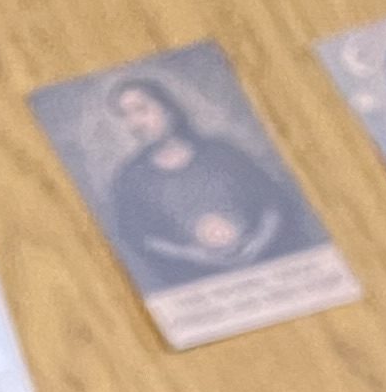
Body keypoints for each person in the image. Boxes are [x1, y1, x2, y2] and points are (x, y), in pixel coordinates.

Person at [96, 71, 313, 283]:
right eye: (125, 115)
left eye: (141, 110)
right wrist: (194, 255)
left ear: (168, 109)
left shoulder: (221, 153)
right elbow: (140, 238)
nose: (135, 123)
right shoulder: (131, 178)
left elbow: (273, 204)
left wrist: (256, 245)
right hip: (200, 282)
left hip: (270, 268)